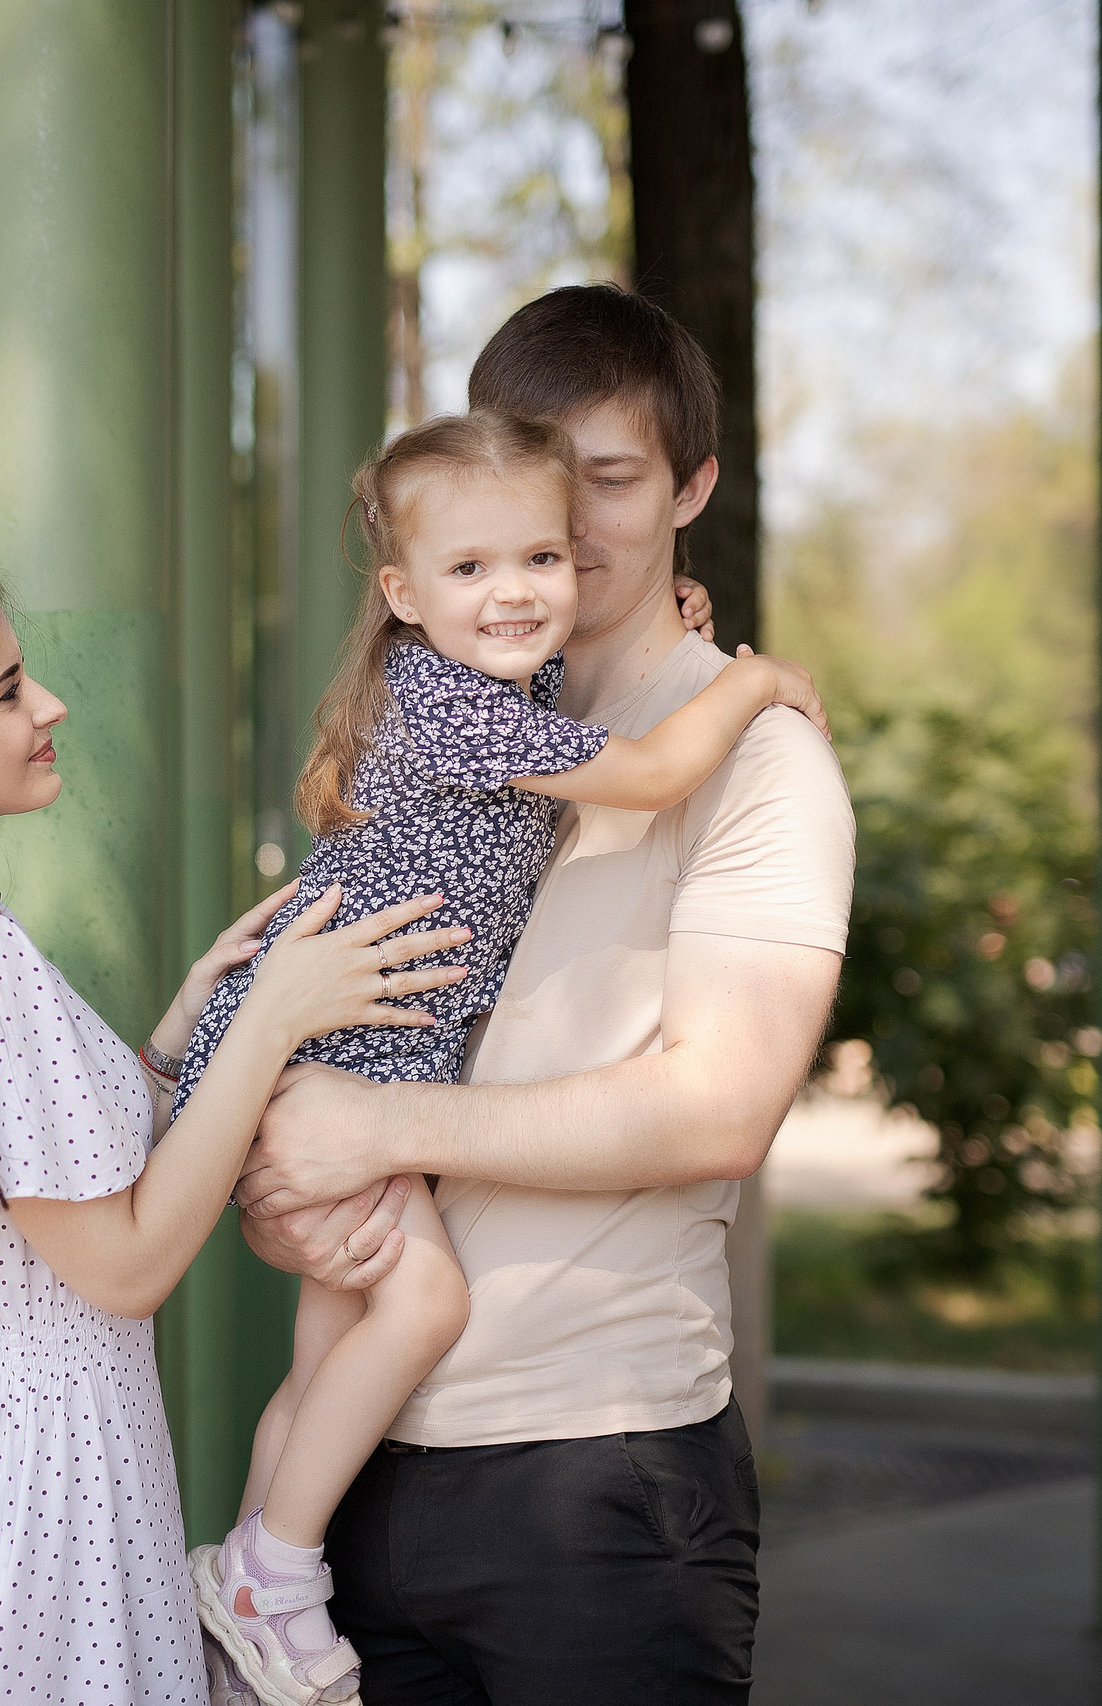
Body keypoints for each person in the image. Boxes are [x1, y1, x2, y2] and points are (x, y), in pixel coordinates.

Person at [234, 284, 856, 1705]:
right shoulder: (463, 710)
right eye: (536, 484)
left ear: (695, 486)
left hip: (594, 1480)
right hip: (370, 1471)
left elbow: (717, 1108)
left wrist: (379, 1132)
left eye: (614, 483)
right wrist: (280, 1143)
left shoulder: (758, 762)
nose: (567, 530)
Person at [0, 550, 473, 1706]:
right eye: (4, 690)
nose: (47, 704)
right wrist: (267, 1030)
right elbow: (126, 1264)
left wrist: (187, 1027)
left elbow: (55, 1177)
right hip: (18, 1522)